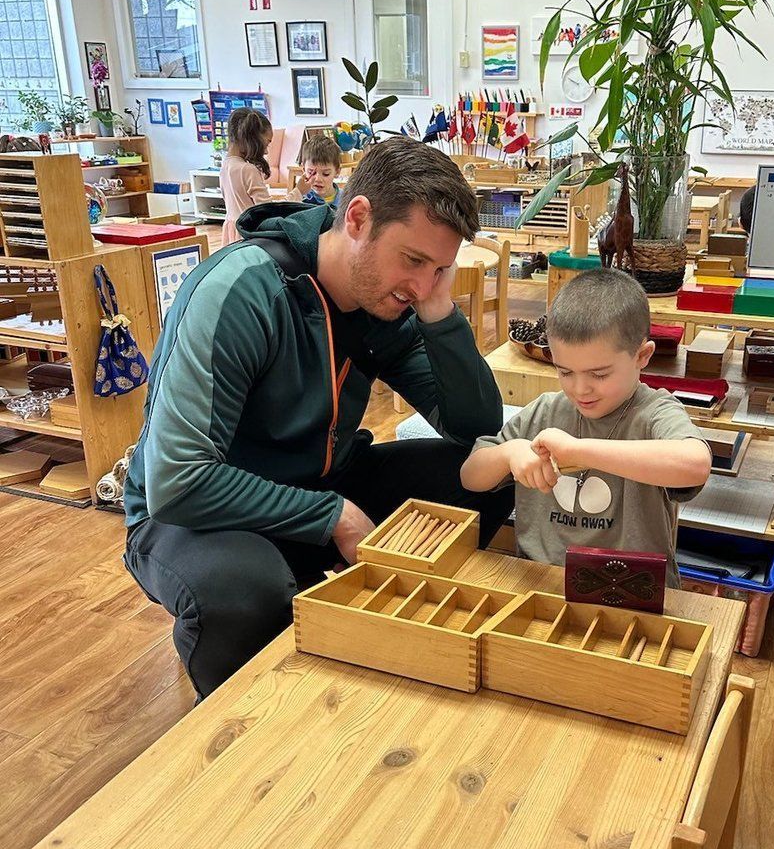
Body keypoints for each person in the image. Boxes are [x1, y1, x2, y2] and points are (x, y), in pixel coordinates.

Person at [124, 137, 511, 698]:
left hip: (315, 481)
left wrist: (437, 309)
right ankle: (242, 712)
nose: (422, 283)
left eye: (440, 268)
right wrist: (334, 517)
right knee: (243, 589)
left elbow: (474, 428)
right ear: (357, 219)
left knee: (486, 472)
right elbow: (178, 482)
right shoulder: (242, 291)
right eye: (414, 260)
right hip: (194, 512)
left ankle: (347, 621)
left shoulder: (390, 301)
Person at [461, 268, 711, 583]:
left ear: (642, 356)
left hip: (630, 588)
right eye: (565, 372)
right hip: (542, 580)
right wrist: (509, 453)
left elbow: (696, 464)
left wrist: (580, 452)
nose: (580, 389)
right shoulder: (545, 411)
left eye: (599, 374)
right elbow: (471, 477)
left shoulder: (654, 413)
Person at [220, 108, 273, 246]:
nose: (266, 151)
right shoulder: (247, 169)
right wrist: (298, 192)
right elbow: (268, 211)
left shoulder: (225, 165)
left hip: (232, 233)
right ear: (252, 139)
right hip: (249, 236)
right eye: (266, 143)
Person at [288, 135, 341, 207]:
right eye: (311, 172)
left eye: (326, 174)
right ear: (303, 169)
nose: (318, 179)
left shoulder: (346, 199)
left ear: (337, 172)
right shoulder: (299, 199)